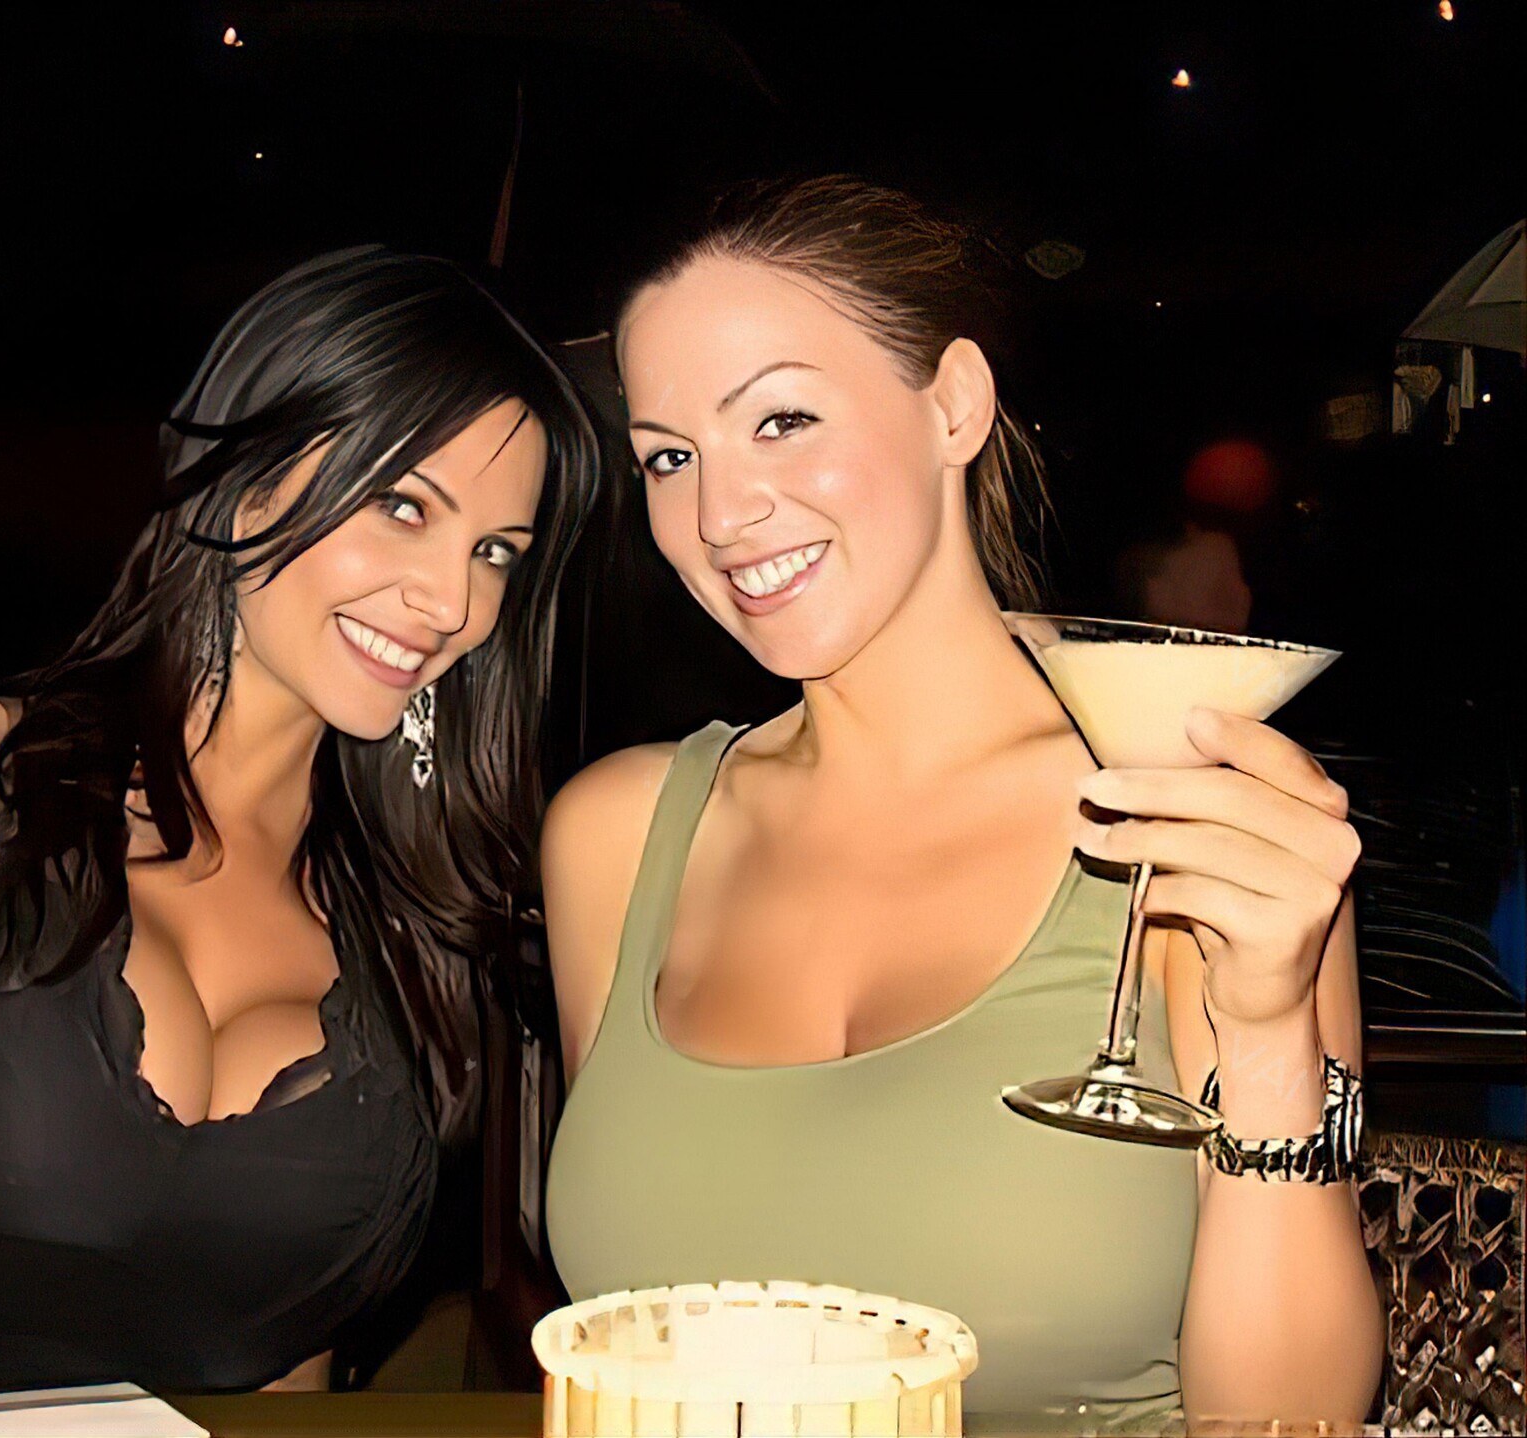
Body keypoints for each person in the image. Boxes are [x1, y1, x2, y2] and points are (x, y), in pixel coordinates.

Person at [0, 245, 600, 1429]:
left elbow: (286, 1375)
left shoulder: (420, 927)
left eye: (496, 553)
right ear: (244, 476)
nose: (454, 602)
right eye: (404, 507)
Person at [542, 178, 1381, 1435]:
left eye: (781, 419)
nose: (718, 516)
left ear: (955, 405)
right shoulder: (616, 835)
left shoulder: (1182, 817)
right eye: (670, 456)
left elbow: (1286, 1423)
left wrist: (1268, 1041)